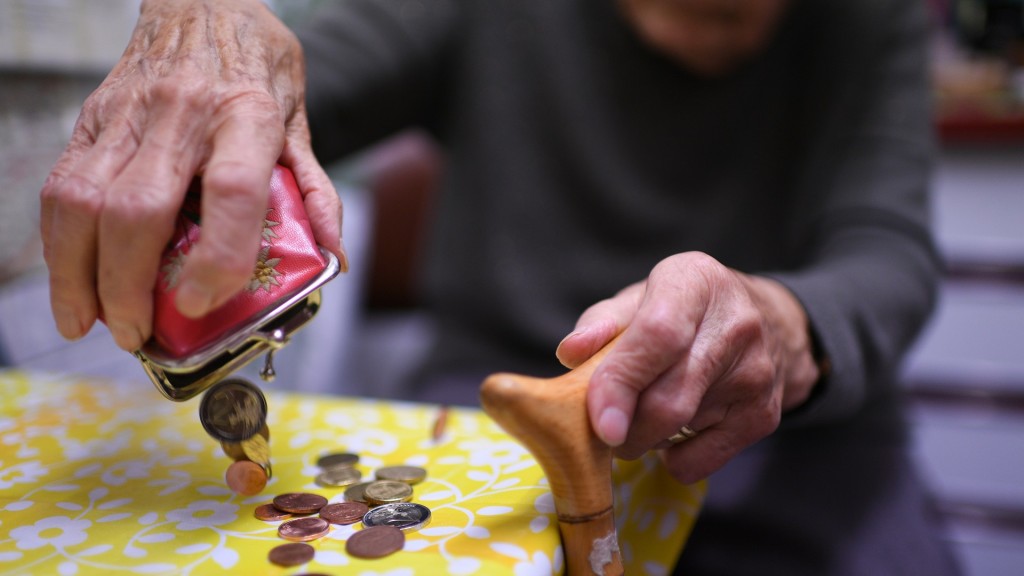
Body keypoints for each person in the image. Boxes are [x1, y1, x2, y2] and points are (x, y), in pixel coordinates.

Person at [39, 0, 961, 573]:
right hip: (492, 416)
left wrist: (779, 324)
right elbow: (295, 87)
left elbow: (887, 252)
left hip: (795, 442)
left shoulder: (866, 19)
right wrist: (215, 31)